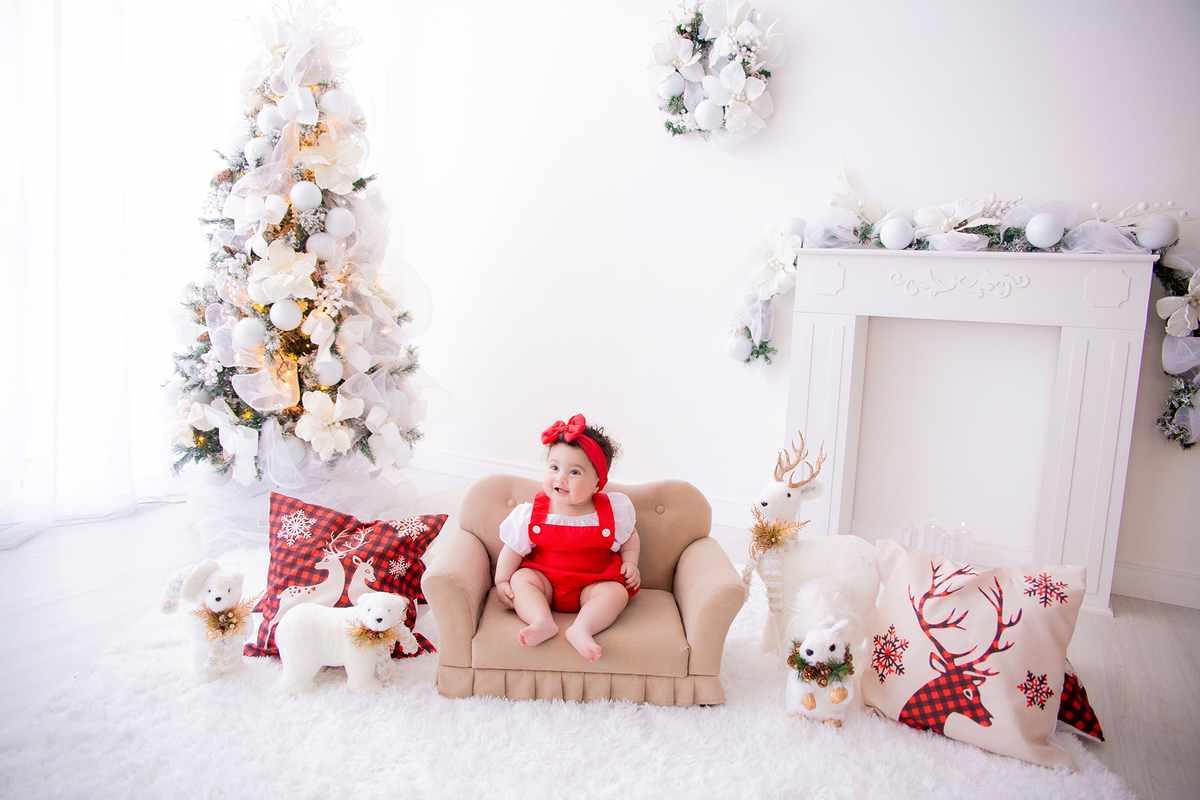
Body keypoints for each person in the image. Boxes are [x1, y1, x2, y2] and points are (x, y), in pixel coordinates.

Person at [494, 414, 641, 663]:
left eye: (574, 472)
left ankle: (582, 628)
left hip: (593, 582)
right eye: (554, 467)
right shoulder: (532, 513)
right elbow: (513, 549)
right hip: (546, 581)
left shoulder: (612, 511)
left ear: (597, 484)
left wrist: (630, 561)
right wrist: (502, 581)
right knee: (522, 578)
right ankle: (542, 620)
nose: (560, 478)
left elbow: (631, 536)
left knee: (616, 593)